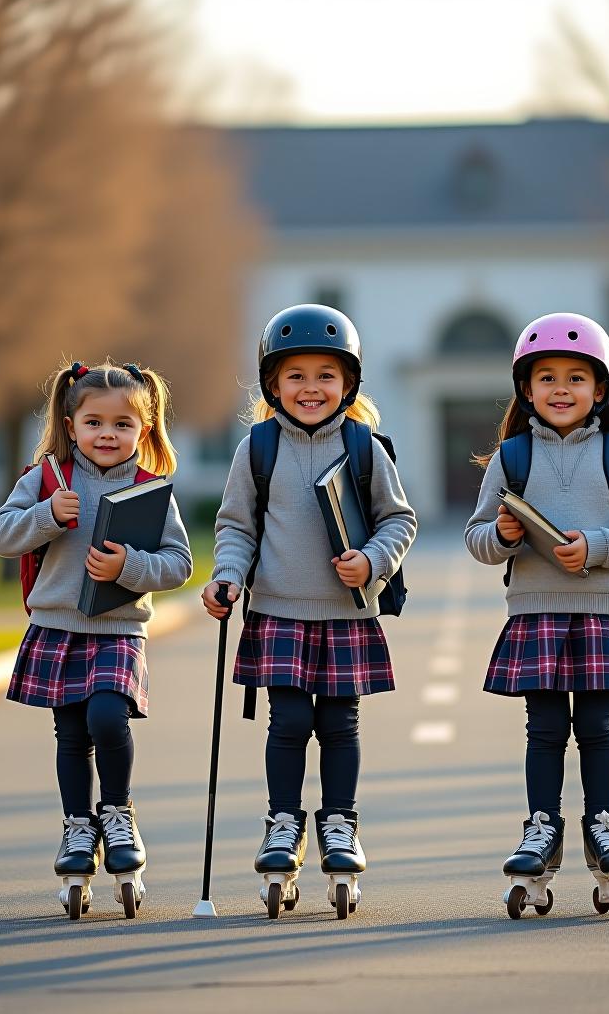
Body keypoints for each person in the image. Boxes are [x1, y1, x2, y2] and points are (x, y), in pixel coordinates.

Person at [202, 303, 417, 918]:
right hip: (279, 613)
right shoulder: (257, 448)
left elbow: (399, 519)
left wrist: (373, 562)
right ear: (272, 385)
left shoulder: (365, 447)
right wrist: (226, 578)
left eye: (326, 375)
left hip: (346, 615)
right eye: (296, 376)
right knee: (288, 725)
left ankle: (341, 824)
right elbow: (236, 525)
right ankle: (282, 822)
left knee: (340, 726)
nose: (311, 388)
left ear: (348, 384)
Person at [465, 313, 609, 920]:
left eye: (576, 378)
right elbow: (477, 539)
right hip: (537, 613)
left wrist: (599, 546)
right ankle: (541, 827)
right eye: (546, 377)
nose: (561, 388)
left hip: (603, 610)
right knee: (544, 731)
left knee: (599, 729)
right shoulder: (510, 457)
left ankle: (604, 823)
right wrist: (503, 535)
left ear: (601, 390)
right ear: (525, 390)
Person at [0, 360, 192, 919]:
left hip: (118, 628)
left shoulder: (151, 490)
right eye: (95, 422)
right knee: (71, 733)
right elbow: (1, 536)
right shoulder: (47, 479)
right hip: (57, 626)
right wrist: (47, 515)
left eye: (123, 423)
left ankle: (118, 813)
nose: (108, 433)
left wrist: (129, 565)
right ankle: (79, 826)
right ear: (71, 423)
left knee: (108, 717)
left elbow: (178, 564)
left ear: (143, 430)